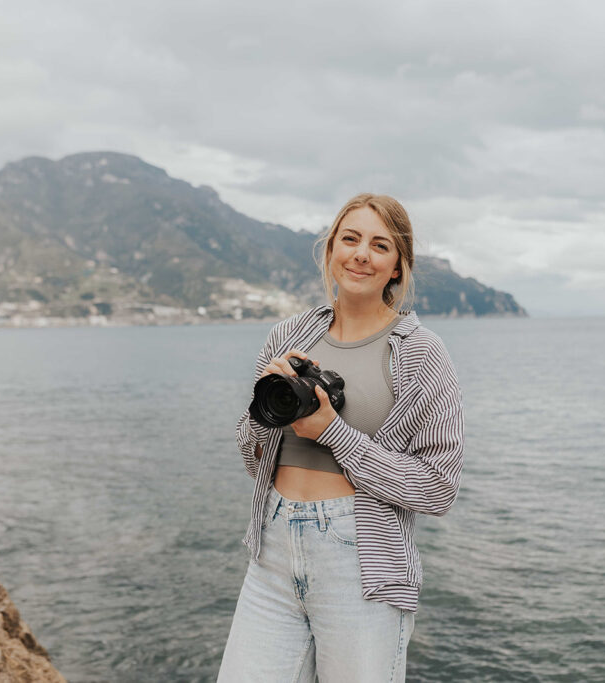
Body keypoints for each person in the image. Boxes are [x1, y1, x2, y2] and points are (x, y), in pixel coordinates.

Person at [217, 193, 464, 682]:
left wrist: (334, 433)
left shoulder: (422, 354)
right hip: (271, 552)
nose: (361, 254)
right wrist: (265, 414)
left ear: (398, 266)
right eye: (349, 239)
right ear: (331, 249)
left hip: (362, 567)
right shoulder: (289, 335)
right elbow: (253, 459)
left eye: (380, 245)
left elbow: (439, 487)